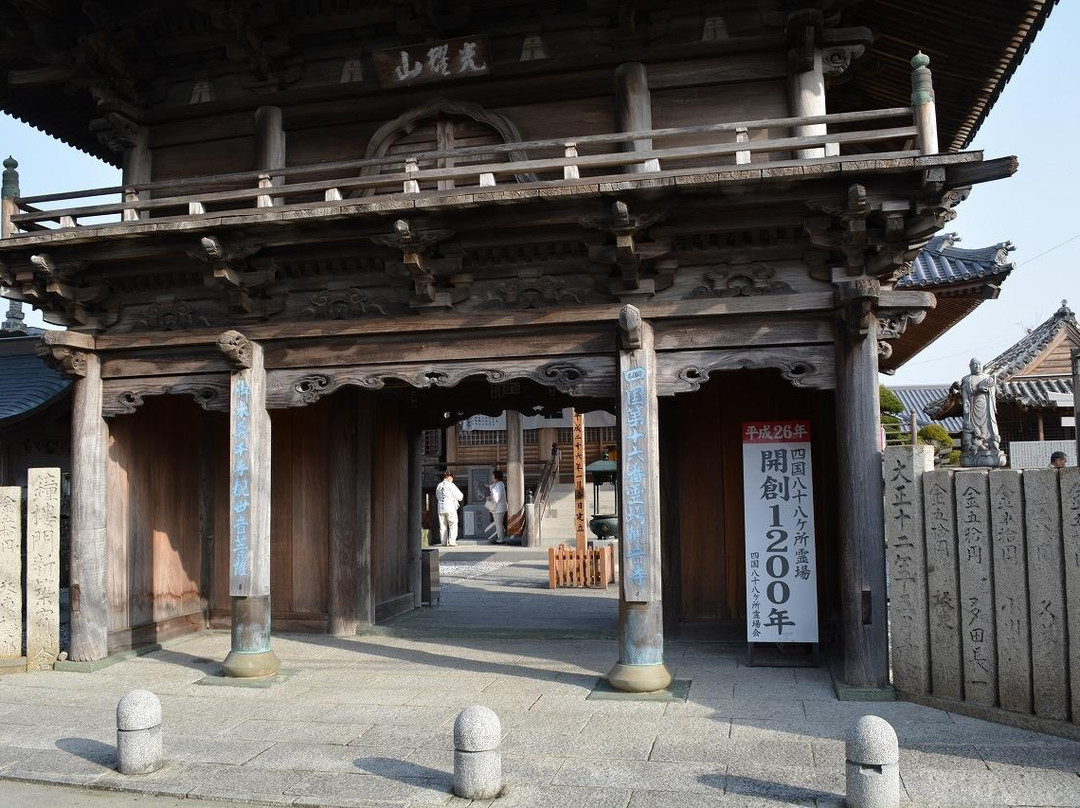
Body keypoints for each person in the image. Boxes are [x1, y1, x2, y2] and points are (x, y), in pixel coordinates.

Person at [435, 470, 464, 546]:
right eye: (452, 478)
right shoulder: (451, 485)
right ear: (449, 477)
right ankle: (452, 541)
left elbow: (437, 496)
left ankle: (443, 541)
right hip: (450, 507)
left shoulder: (439, 485)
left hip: (441, 507)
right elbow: (460, 496)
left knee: (442, 525)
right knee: (453, 524)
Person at [487, 469, 507, 544]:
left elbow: (496, 498)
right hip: (502, 507)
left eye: (493, 476)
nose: (492, 477)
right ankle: (501, 538)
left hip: (498, 509)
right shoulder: (500, 484)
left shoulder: (497, 486)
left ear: (496, 477)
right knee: (500, 524)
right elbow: (492, 486)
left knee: (498, 524)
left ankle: (501, 539)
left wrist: (489, 498)